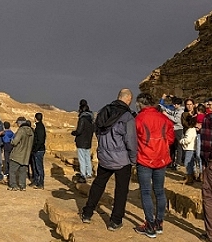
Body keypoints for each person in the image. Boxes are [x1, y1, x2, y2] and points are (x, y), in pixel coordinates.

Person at [81, 88, 137, 231]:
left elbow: (98, 132)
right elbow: (130, 141)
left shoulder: (103, 111)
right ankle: (115, 221)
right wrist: (133, 159)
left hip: (104, 156)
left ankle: (87, 213)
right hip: (121, 159)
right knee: (121, 189)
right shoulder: (127, 116)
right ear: (129, 99)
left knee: (98, 184)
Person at [134, 93, 175, 238]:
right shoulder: (164, 118)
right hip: (161, 159)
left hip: (145, 159)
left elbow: (133, 139)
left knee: (145, 191)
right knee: (159, 191)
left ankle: (150, 225)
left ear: (140, 104)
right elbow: (170, 138)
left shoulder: (139, 119)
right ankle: (159, 223)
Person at [8, 119, 34, 191]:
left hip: (17, 154)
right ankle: (23, 186)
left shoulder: (21, 130)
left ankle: (13, 185)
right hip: (26, 155)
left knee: (12, 171)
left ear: (19, 123)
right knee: (23, 172)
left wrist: (11, 141)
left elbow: (15, 142)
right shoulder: (31, 131)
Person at [159, 94, 184, 169]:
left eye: (174, 104)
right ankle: (171, 162)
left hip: (179, 130)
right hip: (174, 130)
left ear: (178, 104)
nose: (173, 105)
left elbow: (176, 120)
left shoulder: (181, 111)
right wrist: (162, 107)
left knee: (178, 147)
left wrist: (166, 115)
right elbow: (170, 112)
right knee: (172, 147)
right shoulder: (176, 110)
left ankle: (178, 163)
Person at [71, 104, 94, 183]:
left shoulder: (82, 119)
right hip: (88, 142)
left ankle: (83, 174)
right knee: (87, 158)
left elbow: (79, 131)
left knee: (82, 159)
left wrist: (73, 133)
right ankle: (89, 173)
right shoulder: (91, 119)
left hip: (81, 142)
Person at [200, 110, 212, 241]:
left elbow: (206, 145)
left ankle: (210, 234)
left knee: (208, 196)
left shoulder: (208, 119)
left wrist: (205, 160)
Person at [180, 114, 197, 185]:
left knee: (187, 163)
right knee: (191, 163)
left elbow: (188, 140)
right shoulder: (194, 130)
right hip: (192, 149)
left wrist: (181, 141)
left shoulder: (190, 130)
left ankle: (189, 178)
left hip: (189, 149)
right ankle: (192, 176)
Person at [31, 112, 46, 190]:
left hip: (39, 150)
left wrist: (35, 149)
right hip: (37, 150)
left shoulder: (40, 127)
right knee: (35, 166)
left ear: (35, 118)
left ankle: (41, 183)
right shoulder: (39, 126)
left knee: (39, 167)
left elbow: (40, 140)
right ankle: (36, 181)